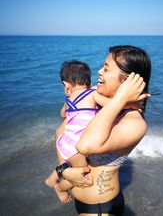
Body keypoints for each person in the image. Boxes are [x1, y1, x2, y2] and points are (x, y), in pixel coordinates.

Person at [57, 45, 151, 215]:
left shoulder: (134, 122)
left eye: (106, 68)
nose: (99, 71)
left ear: (127, 81)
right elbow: (61, 133)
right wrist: (64, 170)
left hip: (100, 208)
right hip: (81, 201)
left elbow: (85, 146)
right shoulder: (98, 99)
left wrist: (121, 98)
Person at [45, 60, 111, 203]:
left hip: (65, 141)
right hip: (76, 146)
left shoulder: (68, 100)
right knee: (83, 174)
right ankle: (61, 188)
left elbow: (63, 114)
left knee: (70, 164)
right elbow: (111, 106)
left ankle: (53, 178)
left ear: (66, 85)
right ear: (90, 80)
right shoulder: (93, 94)